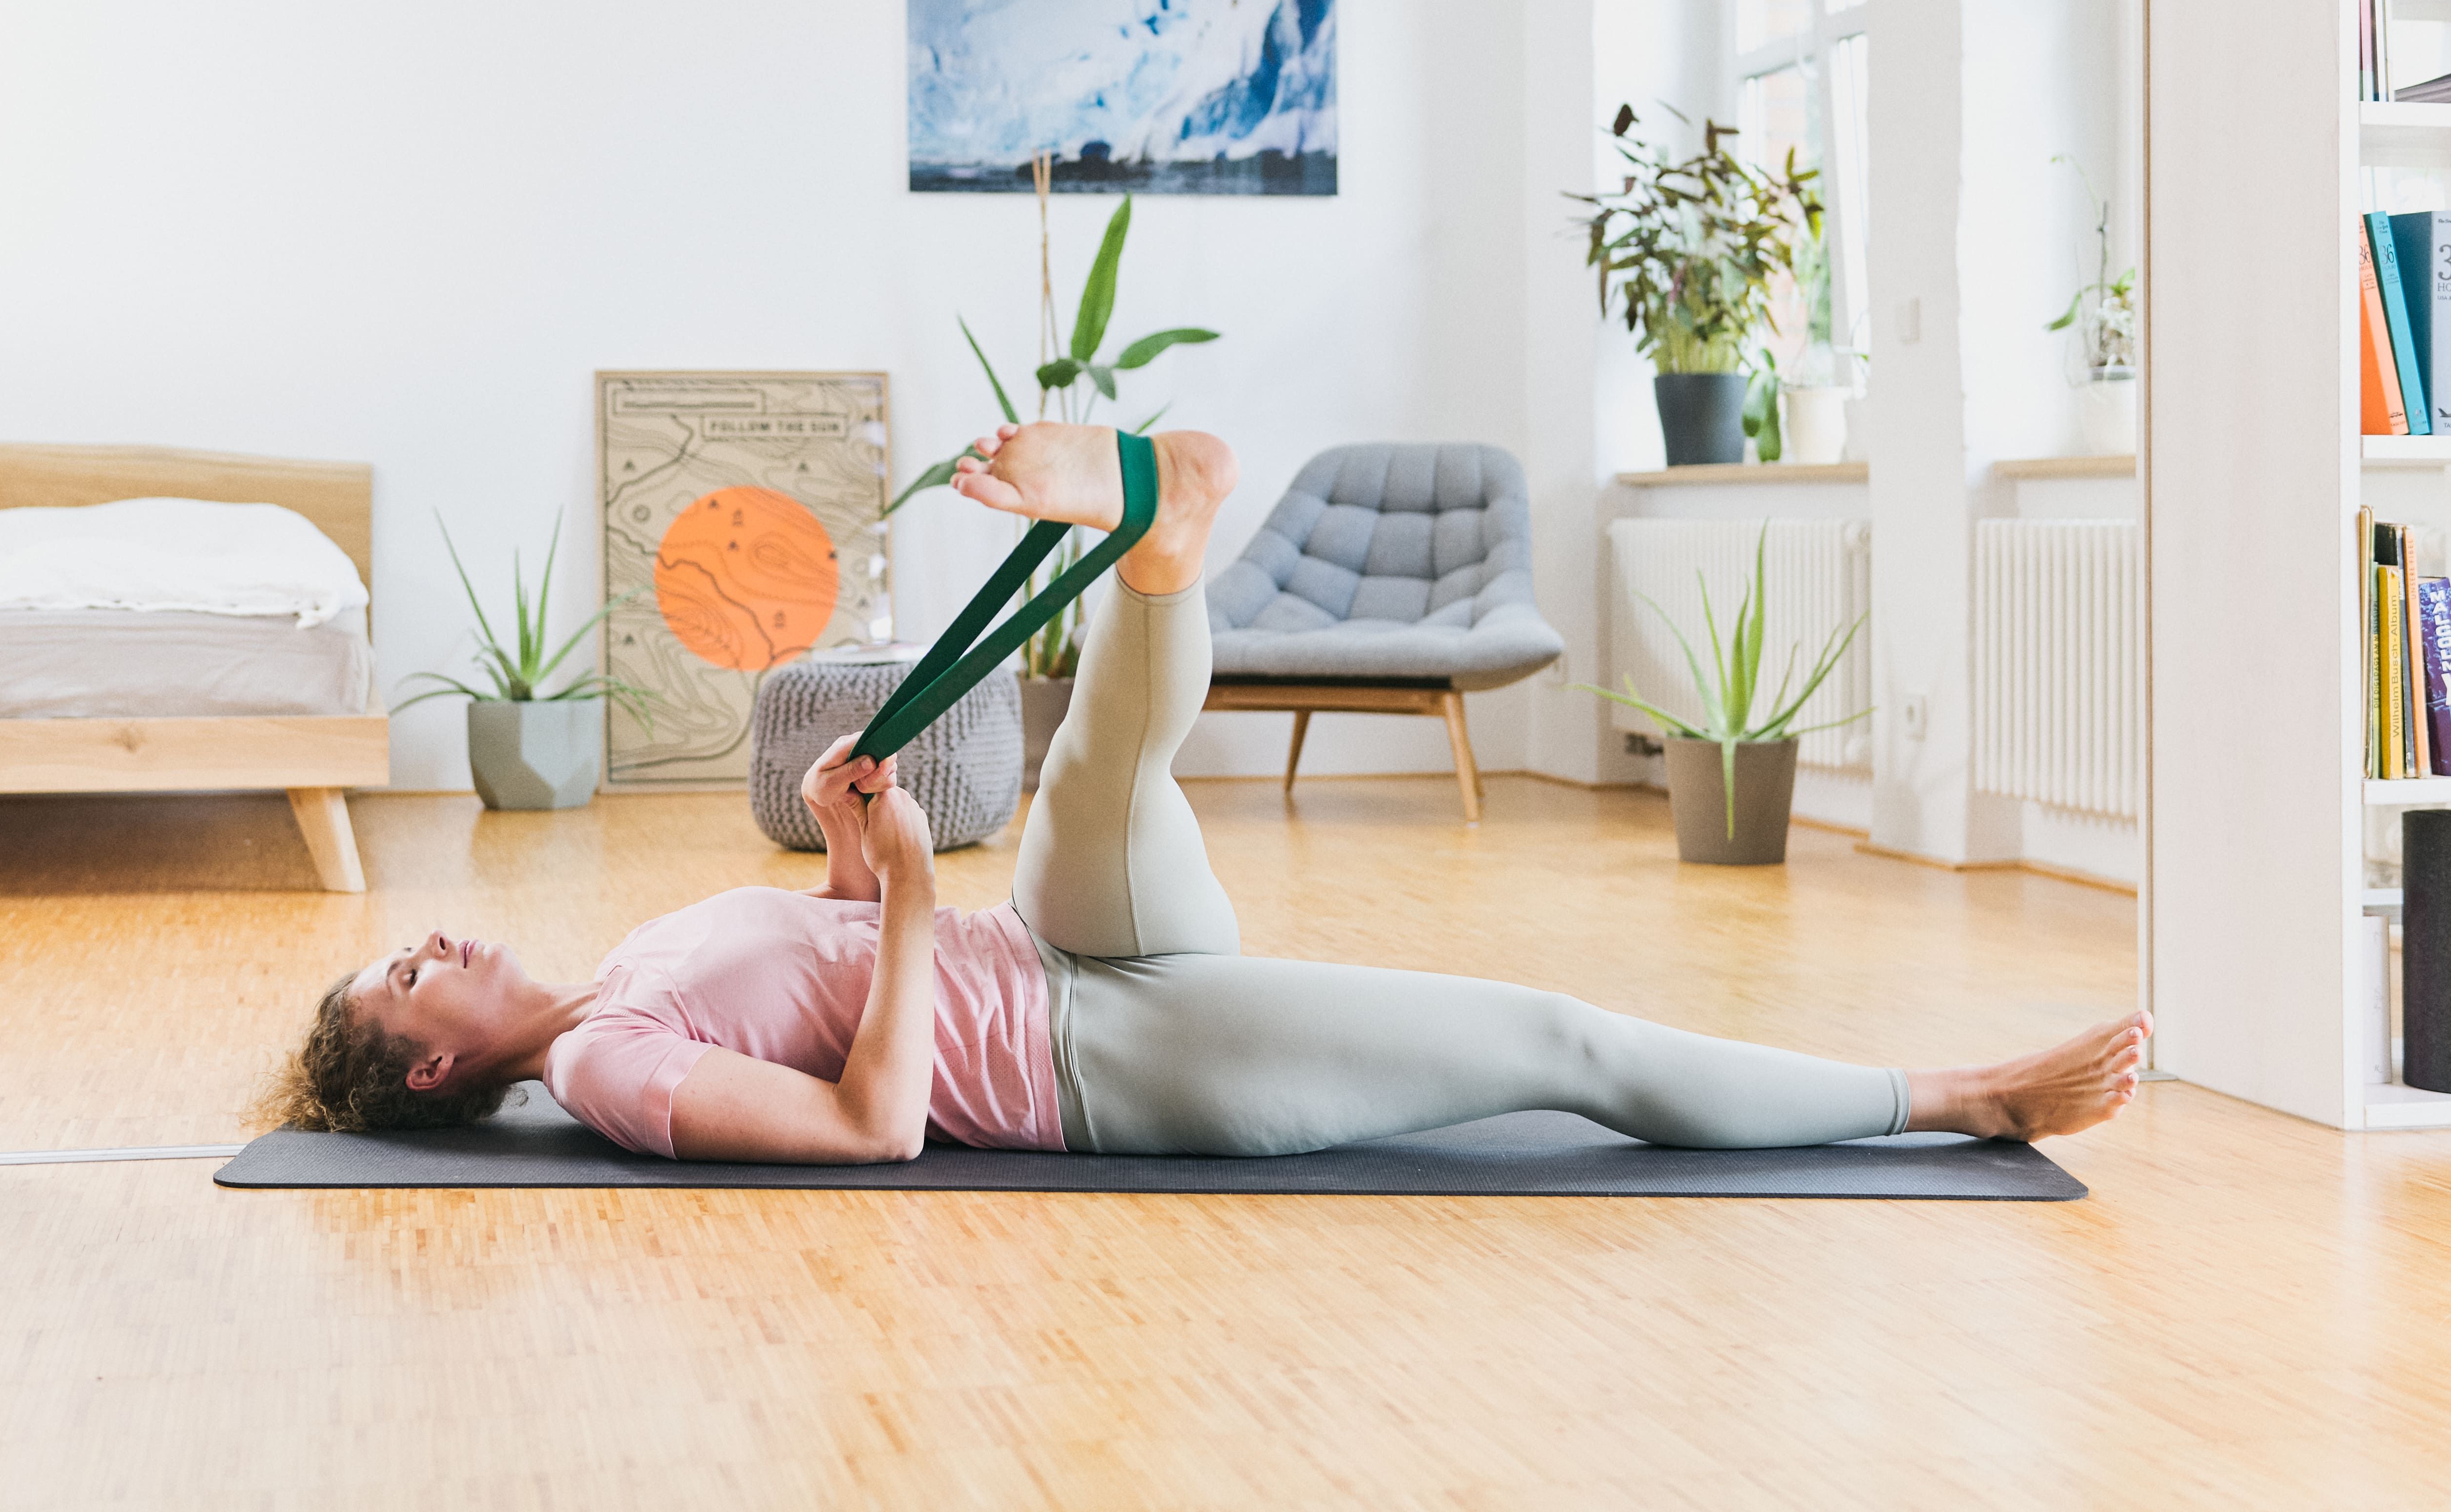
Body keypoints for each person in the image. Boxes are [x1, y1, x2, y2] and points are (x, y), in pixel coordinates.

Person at [264, 423, 2148, 1162]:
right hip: (1111, 1061)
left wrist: (856, 867)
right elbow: (873, 1134)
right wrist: (912, 897)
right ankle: (1960, 1096)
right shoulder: (602, 1074)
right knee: (1558, 1044)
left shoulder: (623, 969)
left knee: (1104, 747)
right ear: (436, 1069)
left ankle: (1163, 532)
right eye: (405, 978)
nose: (426, 942)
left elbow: (841, 980)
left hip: (1056, 944)